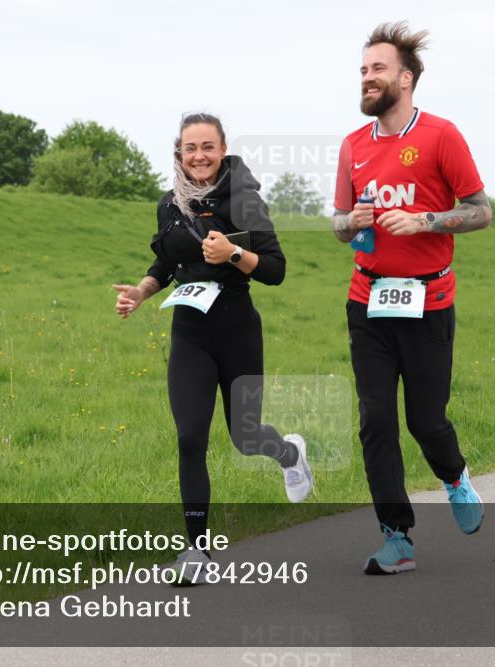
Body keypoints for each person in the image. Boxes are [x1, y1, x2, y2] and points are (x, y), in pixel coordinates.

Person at [112, 112, 314, 583]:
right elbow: (166, 262)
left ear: (222, 151)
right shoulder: (170, 204)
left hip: (238, 330)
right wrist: (141, 291)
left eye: (207, 147)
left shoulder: (244, 201)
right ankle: (197, 552)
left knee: (245, 437)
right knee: (190, 437)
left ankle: (289, 454)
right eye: (190, 148)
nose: (199, 156)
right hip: (189, 332)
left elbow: (276, 269)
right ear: (179, 153)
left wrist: (234, 254)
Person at [331, 22, 490, 575]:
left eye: (377, 68)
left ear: (406, 77)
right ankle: (396, 536)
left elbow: (481, 211)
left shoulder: (442, 136)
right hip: (368, 300)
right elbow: (338, 224)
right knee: (375, 420)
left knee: (425, 421)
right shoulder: (353, 145)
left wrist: (424, 220)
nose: (366, 77)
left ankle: (454, 477)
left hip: (428, 302)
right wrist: (350, 221)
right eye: (363, 70)